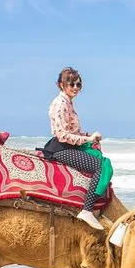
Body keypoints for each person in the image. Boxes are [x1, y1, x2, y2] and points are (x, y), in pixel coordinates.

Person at [42, 67, 112, 230]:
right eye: (71, 84)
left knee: (104, 161)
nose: (75, 87)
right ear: (61, 84)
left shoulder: (68, 103)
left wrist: (89, 136)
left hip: (70, 144)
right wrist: (87, 139)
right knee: (99, 166)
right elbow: (62, 135)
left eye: (78, 84)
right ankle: (87, 210)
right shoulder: (60, 103)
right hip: (61, 148)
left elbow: (73, 132)